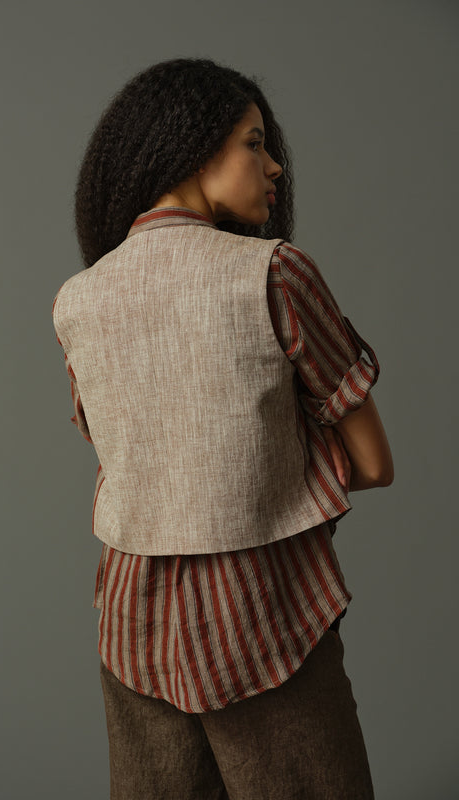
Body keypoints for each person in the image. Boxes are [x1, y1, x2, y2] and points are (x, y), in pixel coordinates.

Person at [52, 58, 393, 800]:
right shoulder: (275, 272)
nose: (274, 166)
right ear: (193, 143)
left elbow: (126, 468)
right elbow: (371, 464)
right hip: (268, 610)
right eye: (254, 142)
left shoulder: (77, 301)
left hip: (131, 617)